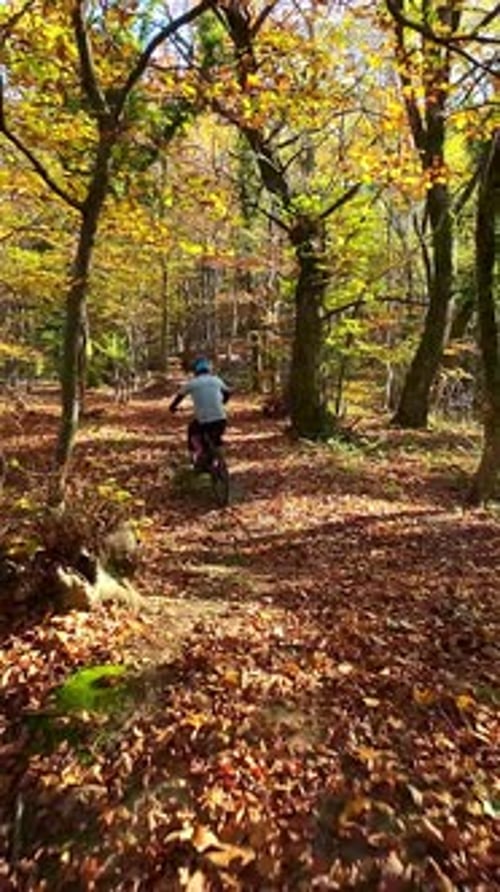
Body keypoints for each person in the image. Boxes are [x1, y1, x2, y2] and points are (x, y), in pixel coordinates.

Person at [169, 357, 231, 467]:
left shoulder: (192, 383)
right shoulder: (216, 380)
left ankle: (195, 455)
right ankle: (220, 458)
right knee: (216, 438)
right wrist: (222, 402)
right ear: (209, 369)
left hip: (203, 420)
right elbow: (228, 392)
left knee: (192, 431)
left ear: (196, 371)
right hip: (221, 419)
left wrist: (172, 407)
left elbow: (179, 396)